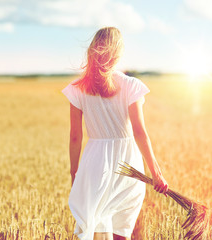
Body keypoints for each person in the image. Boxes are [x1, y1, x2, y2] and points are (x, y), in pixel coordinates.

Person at [62, 27, 168, 240]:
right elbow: (140, 133)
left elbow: (75, 136)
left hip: (95, 164)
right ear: (118, 53)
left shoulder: (77, 88)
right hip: (129, 166)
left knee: (100, 228)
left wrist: (75, 174)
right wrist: (156, 173)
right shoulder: (131, 85)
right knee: (122, 232)